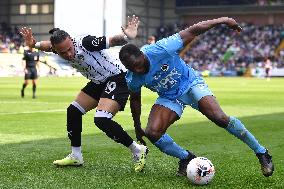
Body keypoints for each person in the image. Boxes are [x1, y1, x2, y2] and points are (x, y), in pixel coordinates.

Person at [119, 17, 274, 177]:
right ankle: (186, 157)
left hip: (190, 83)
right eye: (132, 68)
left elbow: (193, 30)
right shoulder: (132, 78)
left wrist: (224, 20)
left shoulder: (161, 48)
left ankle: (261, 152)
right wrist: (137, 126)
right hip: (169, 96)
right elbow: (135, 99)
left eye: (139, 65)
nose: (138, 70)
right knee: (152, 132)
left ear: (143, 55)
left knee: (219, 117)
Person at [20, 15, 148, 172]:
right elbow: (47, 46)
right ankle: (76, 156)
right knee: (73, 111)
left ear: (72, 41)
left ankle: (137, 149)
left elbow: (113, 41)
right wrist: (33, 43)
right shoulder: (58, 47)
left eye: (69, 49)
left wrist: (128, 35)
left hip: (117, 77)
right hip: (97, 82)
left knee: (101, 119)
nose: (68, 54)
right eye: (62, 52)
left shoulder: (85, 43)